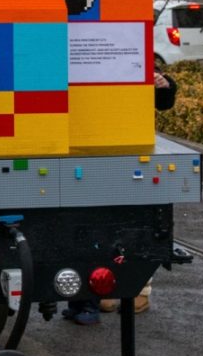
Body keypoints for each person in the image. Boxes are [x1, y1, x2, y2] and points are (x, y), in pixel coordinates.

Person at [64, 69, 176, 325]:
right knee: (96, 223)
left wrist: (165, 83)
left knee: (133, 223)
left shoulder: (136, 49)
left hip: (131, 147)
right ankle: (102, 289)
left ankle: (136, 289)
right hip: (91, 147)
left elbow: (165, 101)